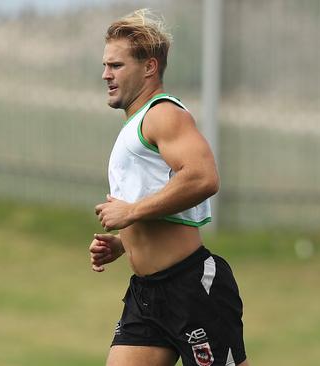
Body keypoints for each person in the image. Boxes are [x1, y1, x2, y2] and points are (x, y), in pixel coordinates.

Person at [89, 9, 249, 366]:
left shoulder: (162, 114)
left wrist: (129, 212)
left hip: (191, 288)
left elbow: (203, 177)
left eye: (116, 65)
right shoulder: (135, 125)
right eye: (105, 65)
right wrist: (125, 241)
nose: (105, 74)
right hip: (147, 294)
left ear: (149, 66)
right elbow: (164, 196)